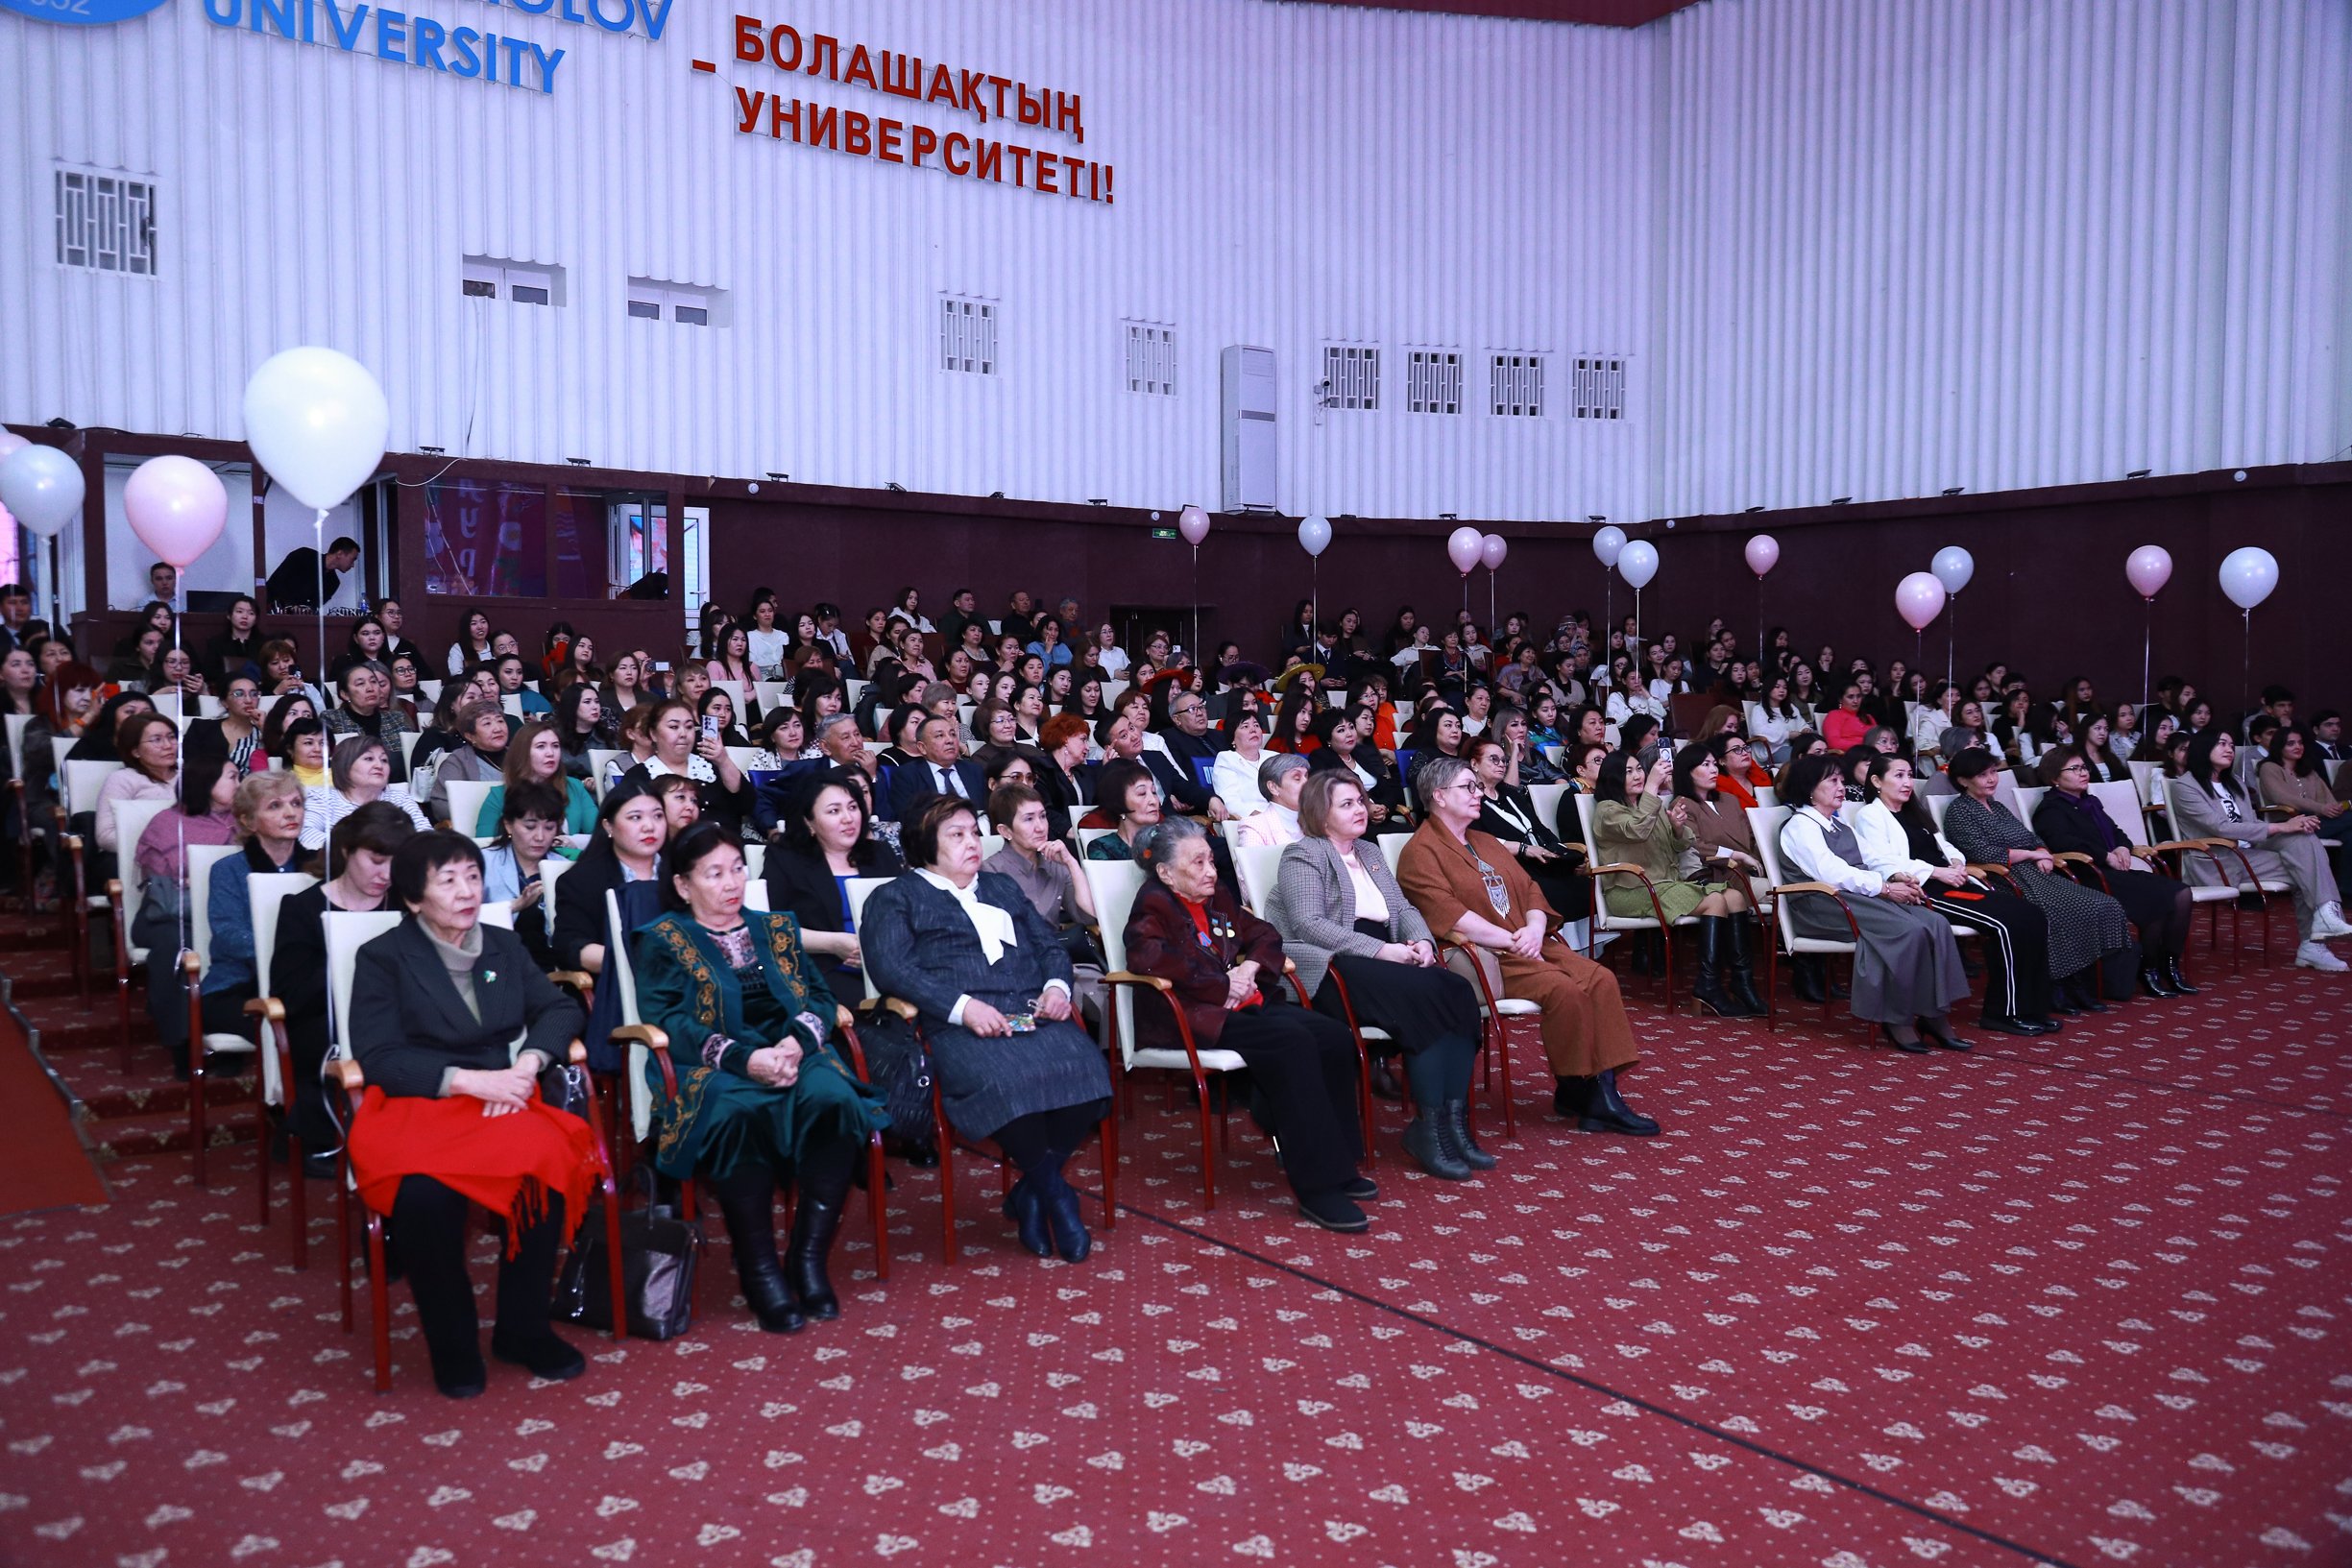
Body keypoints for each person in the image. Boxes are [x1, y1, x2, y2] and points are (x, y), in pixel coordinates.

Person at [344, 832, 594, 1397]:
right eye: (448, 880)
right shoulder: (383, 957)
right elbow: (379, 1057)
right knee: (425, 1199)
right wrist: (470, 1081)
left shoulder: (502, 945)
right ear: (414, 898)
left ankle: (523, 1329)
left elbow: (558, 1009)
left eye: (473, 877)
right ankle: (452, 1342)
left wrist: (528, 1064)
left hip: (503, 1096)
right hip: (417, 1102)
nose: (466, 891)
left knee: (543, 1174)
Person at [632, 821, 889, 1332]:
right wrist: (744, 1060)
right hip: (713, 1064)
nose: (731, 883)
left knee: (835, 1100)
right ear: (683, 884)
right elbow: (669, 1022)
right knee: (738, 1114)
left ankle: (807, 1258)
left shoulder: (777, 928)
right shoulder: (662, 940)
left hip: (792, 1051)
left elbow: (819, 997)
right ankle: (759, 1269)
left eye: (736, 869)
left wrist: (797, 1042)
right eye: (714, 874)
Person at [862, 798, 1114, 1262]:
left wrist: (1057, 987)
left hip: (1029, 1013)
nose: (972, 843)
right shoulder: (895, 897)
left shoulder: (1000, 887)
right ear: (925, 844)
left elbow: (1049, 945)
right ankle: (1057, 1197)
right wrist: (963, 1008)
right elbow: (892, 969)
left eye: (974, 833)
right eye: (956, 835)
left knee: (1090, 1074)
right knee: (1005, 1083)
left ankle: (1032, 1192)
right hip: (957, 1023)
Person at [1125, 814, 1374, 1227]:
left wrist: (1250, 967)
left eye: (1210, 860)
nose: (1210, 871)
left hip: (1243, 1004)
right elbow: (1148, 958)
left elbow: (1265, 933)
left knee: (1333, 1036)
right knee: (1291, 1042)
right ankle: (1317, 1188)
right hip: (1192, 1016)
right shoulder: (1153, 904)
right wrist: (1221, 985)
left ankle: (1340, 1163)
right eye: (1198, 863)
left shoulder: (1216, 894)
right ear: (1166, 873)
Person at [1396, 756, 1654, 1134]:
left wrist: (1534, 928)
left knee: (1600, 979)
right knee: (1564, 989)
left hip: (1530, 942)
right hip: (1489, 955)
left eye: (1476, 786)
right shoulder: (1420, 852)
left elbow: (1531, 888)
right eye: (1468, 787)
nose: (1477, 793)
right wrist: (1514, 941)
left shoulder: (1485, 841)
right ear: (1438, 796)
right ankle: (1585, 1090)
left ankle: (1589, 1089)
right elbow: (1450, 916)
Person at [1268, 773, 1486, 1182]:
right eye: (1347, 804)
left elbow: (1402, 908)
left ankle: (1451, 1125)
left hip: (1386, 958)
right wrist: (1382, 951)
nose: (1360, 809)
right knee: (1429, 998)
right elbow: (1310, 925)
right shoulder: (1303, 855)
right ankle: (1429, 1130)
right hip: (1333, 964)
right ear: (1321, 814)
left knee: (1457, 990)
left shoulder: (1369, 851)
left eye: (1360, 801)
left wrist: (1422, 942)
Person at [1774, 752, 1974, 1052]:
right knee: (1907, 930)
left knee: (1935, 923)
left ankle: (1934, 1014)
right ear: (1810, 788)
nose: (1841, 787)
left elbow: (1872, 858)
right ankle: (1897, 1019)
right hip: (1821, 904)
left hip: (1857, 896)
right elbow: (1832, 873)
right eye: (1832, 781)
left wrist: (1896, 876)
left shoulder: (1838, 824)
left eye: (1841, 780)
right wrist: (1884, 888)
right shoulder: (1800, 826)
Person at [1854, 753, 2061, 1034]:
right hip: (1924, 889)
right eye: (1898, 776)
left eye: (1909, 775)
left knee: (2030, 914)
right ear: (1877, 781)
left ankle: (2033, 1007)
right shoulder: (1870, 815)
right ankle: (2003, 1013)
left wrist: (1955, 862)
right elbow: (1882, 861)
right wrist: (1937, 872)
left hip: (1953, 881)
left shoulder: (1914, 811)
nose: (1907, 782)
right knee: (2005, 924)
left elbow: (1945, 846)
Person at [273, 802, 418, 1177]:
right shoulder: (303, 909)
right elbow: (290, 995)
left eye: (396, 864)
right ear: (346, 850)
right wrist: (348, 956)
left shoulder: (405, 906)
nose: (386, 875)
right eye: (376, 861)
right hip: (323, 1020)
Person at [1938, 748, 2145, 1008]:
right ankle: (2058, 984)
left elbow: (2031, 836)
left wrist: (2042, 852)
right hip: (2003, 878)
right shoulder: (1959, 811)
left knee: (2104, 904)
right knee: (2067, 910)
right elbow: (1981, 852)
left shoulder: (1997, 806)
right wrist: (2030, 854)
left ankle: (2082, 980)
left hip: (2035, 874)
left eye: (1993, 772)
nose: (1991, 779)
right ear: (1963, 780)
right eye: (1982, 775)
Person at [2168, 729, 2351, 972]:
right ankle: (2315, 939)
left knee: (2303, 841)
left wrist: (2291, 827)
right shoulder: (2185, 786)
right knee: (2306, 868)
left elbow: (2251, 823)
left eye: (2231, 745)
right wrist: (2281, 826)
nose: (2229, 749)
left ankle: (2324, 922)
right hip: (2217, 859)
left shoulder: (2235, 783)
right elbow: (2219, 827)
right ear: (2203, 747)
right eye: (2222, 744)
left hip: (2247, 853)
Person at [1592, 749, 1755, 1016]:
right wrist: (1653, 787)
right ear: (1613, 777)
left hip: (1666, 885)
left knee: (1735, 897)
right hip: (1631, 890)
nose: (1638, 775)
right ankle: (1708, 987)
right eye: (1628, 771)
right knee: (1715, 900)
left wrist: (1677, 828)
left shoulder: (1649, 805)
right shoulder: (1607, 810)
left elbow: (1680, 845)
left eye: (1639, 769)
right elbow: (1637, 830)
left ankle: (1741, 982)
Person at [2030, 745, 2201, 997]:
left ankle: (2169, 965)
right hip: (2087, 876)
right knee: (2155, 900)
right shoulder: (2051, 809)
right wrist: (2105, 855)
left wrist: (2122, 847)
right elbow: (2062, 843)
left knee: (2182, 893)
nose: (2083, 773)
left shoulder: (2089, 802)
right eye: (2074, 769)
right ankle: (2149, 969)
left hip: (2114, 871)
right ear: (2055, 778)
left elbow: (2116, 831)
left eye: (2084, 767)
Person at [131, 746, 241, 1071]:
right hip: (169, 914)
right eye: (232, 777)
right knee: (179, 947)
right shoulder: (168, 823)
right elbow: (162, 880)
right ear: (207, 783)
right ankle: (183, 1041)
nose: (240, 784)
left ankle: (228, 1034)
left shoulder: (244, 821)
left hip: (223, 911)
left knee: (236, 942)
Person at [552, 777, 672, 1071]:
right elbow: (570, 948)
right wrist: (639, 961)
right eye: (635, 818)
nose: (649, 827)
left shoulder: (682, 873)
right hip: (616, 996)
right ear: (608, 826)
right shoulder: (581, 880)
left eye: (658, 816)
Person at [195, 772, 309, 1071]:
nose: (290, 813)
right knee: (294, 1029)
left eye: (296, 803)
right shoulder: (228, 870)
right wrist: (291, 954)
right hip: (236, 986)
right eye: (275, 806)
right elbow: (229, 936)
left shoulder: (318, 867)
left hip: (300, 985)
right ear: (248, 821)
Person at [763, 769, 903, 1006]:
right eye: (834, 811)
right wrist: (832, 943)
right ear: (809, 821)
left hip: (890, 967)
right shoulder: (786, 858)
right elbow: (768, 925)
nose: (848, 818)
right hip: (822, 971)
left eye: (853, 807)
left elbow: (908, 914)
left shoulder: (880, 853)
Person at [1671, 741, 1769, 1014]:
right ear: (1688, 771)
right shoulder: (1683, 804)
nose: (1713, 769)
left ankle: (1742, 981)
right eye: (1705, 765)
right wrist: (1736, 855)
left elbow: (1752, 838)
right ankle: (1742, 981)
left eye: (1714, 764)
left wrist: (1757, 858)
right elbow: (1695, 845)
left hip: (1745, 871)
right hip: (1716, 872)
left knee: (1780, 889)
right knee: (1781, 895)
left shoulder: (1729, 800)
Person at [1466, 734, 1592, 943]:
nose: (1501, 764)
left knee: (1584, 884)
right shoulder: (1470, 801)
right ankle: (1556, 947)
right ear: (1474, 764)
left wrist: (1563, 854)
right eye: (1494, 760)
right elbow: (1478, 842)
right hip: (1513, 867)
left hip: (1543, 861)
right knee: (1552, 890)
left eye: (1504, 760)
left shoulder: (1510, 794)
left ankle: (1584, 949)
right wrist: (1524, 848)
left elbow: (1540, 829)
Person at [631, 697, 750, 841]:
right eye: (674, 727)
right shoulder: (639, 775)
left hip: (726, 844)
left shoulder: (710, 767)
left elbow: (746, 805)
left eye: (689, 727)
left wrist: (724, 761)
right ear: (653, 734)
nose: (683, 734)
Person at [480, 779, 568, 972]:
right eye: (530, 827)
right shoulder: (482, 863)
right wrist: (515, 906)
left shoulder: (563, 869)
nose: (540, 837)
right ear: (509, 825)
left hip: (549, 972)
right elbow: (461, 919)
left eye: (549, 827)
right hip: (494, 967)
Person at [300, 734, 430, 851]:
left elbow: (426, 835)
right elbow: (306, 834)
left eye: (384, 760)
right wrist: (364, 848)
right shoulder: (322, 798)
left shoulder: (400, 799)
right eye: (369, 758)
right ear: (345, 765)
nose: (379, 765)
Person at [2257, 724, 2352, 881]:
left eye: (2300, 743)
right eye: (2291, 743)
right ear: (2279, 746)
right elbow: (2282, 797)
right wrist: (2321, 808)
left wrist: (2334, 809)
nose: (2298, 747)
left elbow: (2327, 799)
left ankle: (2346, 890)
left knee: (2350, 835)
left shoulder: (2308, 771)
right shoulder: (2269, 767)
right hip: (2289, 823)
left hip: (2317, 821)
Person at [473, 718, 598, 837]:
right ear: (523, 753)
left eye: (555, 746)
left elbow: (598, 834)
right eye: (541, 746)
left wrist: (573, 842)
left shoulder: (574, 786)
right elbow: (484, 844)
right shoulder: (499, 796)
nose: (550, 753)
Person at [93, 710, 179, 856]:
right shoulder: (122, 779)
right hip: (138, 858)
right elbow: (105, 836)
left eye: (171, 737)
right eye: (157, 740)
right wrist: (158, 845)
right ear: (135, 751)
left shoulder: (191, 776)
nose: (168, 745)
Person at [322, 660, 416, 783]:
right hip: (350, 785)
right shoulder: (332, 719)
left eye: (373, 682)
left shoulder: (396, 718)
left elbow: (411, 757)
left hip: (397, 784)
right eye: (360, 684)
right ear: (345, 694)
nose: (370, 688)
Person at [889, 713, 989, 821]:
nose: (950, 740)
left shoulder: (974, 770)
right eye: (940, 736)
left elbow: (987, 809)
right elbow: (907, 818)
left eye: (953, 734)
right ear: (922, 747)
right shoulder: (907, 775)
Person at [423, 702, 510, 825]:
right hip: (481, 826)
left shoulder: (521, 755)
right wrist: (476, 816)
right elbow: (440, 804)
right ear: (470, 736)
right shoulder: (457, 762)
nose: (498, 729)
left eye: (500, 721)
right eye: (487, 723)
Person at [1082, 758, 1160, 861]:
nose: (1153, 801)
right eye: (1142, 793)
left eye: (1154, 792)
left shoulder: (1168, 841)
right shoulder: (1103, 847)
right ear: (1119, 802)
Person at [265, 535, 362, 614]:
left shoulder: (333, 583)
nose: (353, 565)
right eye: (353, 559)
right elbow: (276, 582)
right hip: (270, 612)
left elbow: (313, 607)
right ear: (339, 554)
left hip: (300, 623)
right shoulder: (303, 556)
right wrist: (291, 604)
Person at [1230, 754, 1311, 847]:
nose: (1307, 783)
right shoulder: (1255, 826)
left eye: (1306, 777)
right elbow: (1252, 857)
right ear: (1273, 787)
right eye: (1297, 778)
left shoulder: (1317, 821)